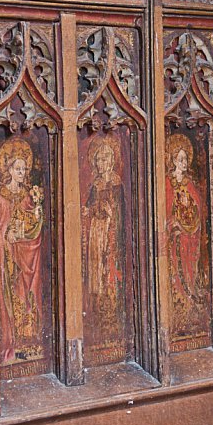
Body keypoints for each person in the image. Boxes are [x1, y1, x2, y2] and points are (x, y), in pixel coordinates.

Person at [0, 137, 45, 365]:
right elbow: (0, 228)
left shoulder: (28, 195)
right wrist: (8, 237)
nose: (22, 173)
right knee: (13, 297)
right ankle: (12, 344)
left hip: (27, 255)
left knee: (29, 297)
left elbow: (33, 224)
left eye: (24, 169)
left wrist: (36, 215)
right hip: (10, 259)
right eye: (18, 169)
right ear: (9, 170)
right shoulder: (3, 197)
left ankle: (29, 343)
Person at [82, 135, 129, 331]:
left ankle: (114, 311)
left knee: (110, 270)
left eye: (105, 159)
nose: (101, 163)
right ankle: (97, 311)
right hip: (97, 234)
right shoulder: (95, 185)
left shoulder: (117, 183)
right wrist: (92, 211)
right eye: (98, 160)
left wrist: (110, 214)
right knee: (97, 271)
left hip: (112, 233)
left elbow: (121, 211)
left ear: (111, 160)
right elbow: (88, 208)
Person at [166, 132, 208, 340]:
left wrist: (189, 223)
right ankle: (176, 309)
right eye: (180, 159)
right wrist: (172, 223)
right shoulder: (167, 183)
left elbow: (198, 209)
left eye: (185, 159)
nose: (184, 162)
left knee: (191, 272)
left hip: (189, 237)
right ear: (172, 160)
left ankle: (190, 304)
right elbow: (165, 210)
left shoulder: (190, 184)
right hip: (174, 240)